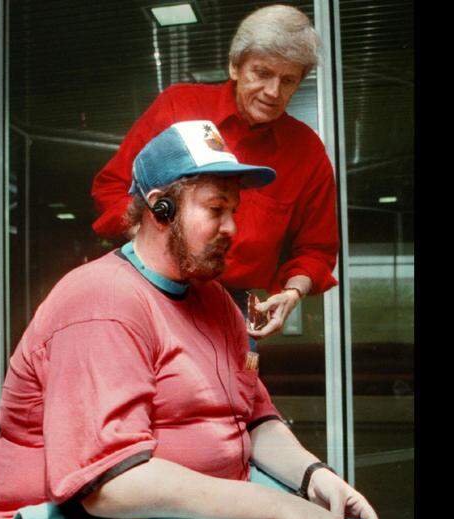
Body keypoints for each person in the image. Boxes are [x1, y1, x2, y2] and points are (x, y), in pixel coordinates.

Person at [0, 120, 403, 519]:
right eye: (216, 209)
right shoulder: (103, 302)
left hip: (182, 512)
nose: (232, 228)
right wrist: (279, 509)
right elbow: (109, 485)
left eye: (233, 212)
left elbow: (256, 419)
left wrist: (315, 479)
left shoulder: (214, 299)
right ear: (160, 208)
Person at [91, 4, 338, 342]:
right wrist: (149, 242)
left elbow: (317, 250)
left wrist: (292, 293)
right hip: (151, 286)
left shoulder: (306, 150)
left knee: (238, 391)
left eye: (288, 80)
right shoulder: (178, 106)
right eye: (262, 73)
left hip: (237, 305)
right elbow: (112, 188)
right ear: (235, 66)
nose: (273, 92)